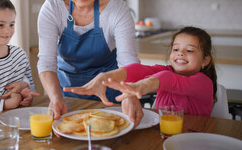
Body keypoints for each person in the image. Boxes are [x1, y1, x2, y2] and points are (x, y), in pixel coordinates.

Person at [37, 0, 140, 121]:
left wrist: (130, 95)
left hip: (109, 92)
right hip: (66, 93)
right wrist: (55, 98)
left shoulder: (117, 9)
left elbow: (128, 61)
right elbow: (46, 61)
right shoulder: (52, 8)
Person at [65, 26, 217, 116]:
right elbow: (138, 70)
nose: (180, 53)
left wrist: (141, 86)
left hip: (194, 138)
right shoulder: (167, 70)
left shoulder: (203, 83)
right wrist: (104, 77)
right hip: (162, 135)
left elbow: (169, 80)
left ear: (205, 60)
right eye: (176, 48)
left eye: (189, 50)